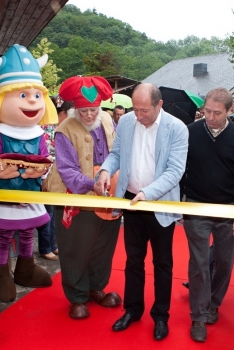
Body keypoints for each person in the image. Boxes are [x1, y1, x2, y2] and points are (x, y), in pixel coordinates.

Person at [95, 83, 189, 341]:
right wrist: (105, 170)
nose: (138, 115)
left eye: (144, 110)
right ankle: (132, 310)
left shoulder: (177, 128)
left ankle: (161, 316)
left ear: (159, 105)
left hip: (157, 203)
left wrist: (149, 193)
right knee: (133, 261)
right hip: (130, 201)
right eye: (134, 109)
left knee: (162, 263)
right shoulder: (125, 122)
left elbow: (175, 170)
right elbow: (116, 154)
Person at [0, 44, 58, 302]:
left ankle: (25, 270)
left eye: (36, 95)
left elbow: (46, 159)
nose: (33, 101)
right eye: (23, 96)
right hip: (6, 195)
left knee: (27, 233)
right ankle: (1, 275)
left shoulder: (39, 134)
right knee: (4, 236)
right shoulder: (0, 133)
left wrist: (40, 171)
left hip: (31, 195)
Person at [48, 76, 122, 320]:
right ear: (74, 109)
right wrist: (93, 183)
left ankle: (96, 288)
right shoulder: (64, 130)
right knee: (76, 248)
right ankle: (77, 296)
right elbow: (68, 171)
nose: (90, 115)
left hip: (108, 195)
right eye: (84, 111)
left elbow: (118, 151)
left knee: (103, 245)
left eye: (93, 110)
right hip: (77, 197)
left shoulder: (108, 120)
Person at [183, 87, 234, 342]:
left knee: (225, 261)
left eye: (216, 113)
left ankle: (214, 303)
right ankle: (198, 316)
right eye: (206, 111)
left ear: (229, 111)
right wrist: (180, 204)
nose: (210, 117)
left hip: (228, 207)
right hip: (196, 207)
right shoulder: (191, 132)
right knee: (199, 263)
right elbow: (181, 168)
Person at [37, 96, 73, 261]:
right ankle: (46, 247)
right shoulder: (47, 128)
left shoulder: (59, 127)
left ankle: (52, 244)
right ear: (63, 112)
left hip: (55, 174)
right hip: (45, 174)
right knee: (47, 212)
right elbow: (47, 155)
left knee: (53, 212)